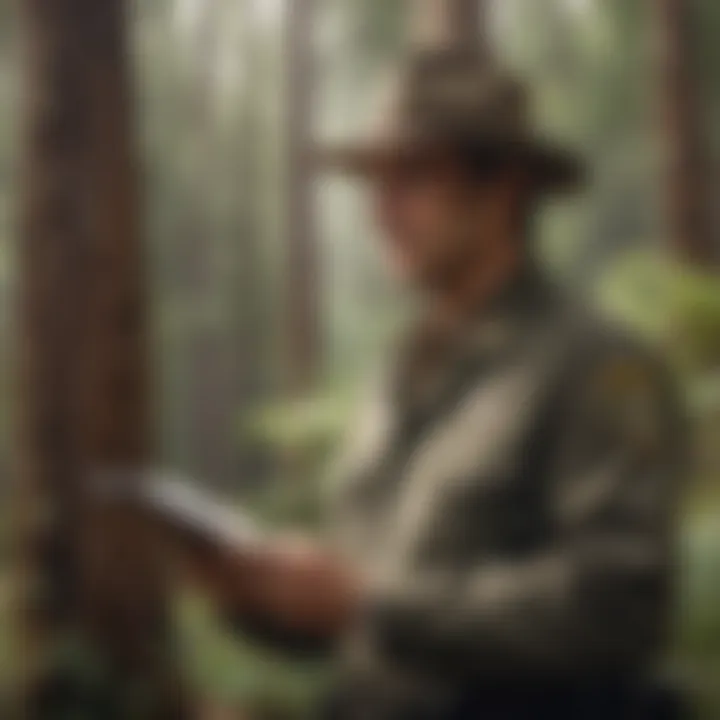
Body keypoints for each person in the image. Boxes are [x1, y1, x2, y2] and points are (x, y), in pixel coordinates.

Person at [179, 47, 687, 719]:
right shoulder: (394, 379)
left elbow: (618, 607)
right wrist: (257, 600)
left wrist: (369, 601)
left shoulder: (594, 366)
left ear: (503, 188)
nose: (380, 211)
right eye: (375, 183)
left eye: (412, 178)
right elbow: (362, 629)